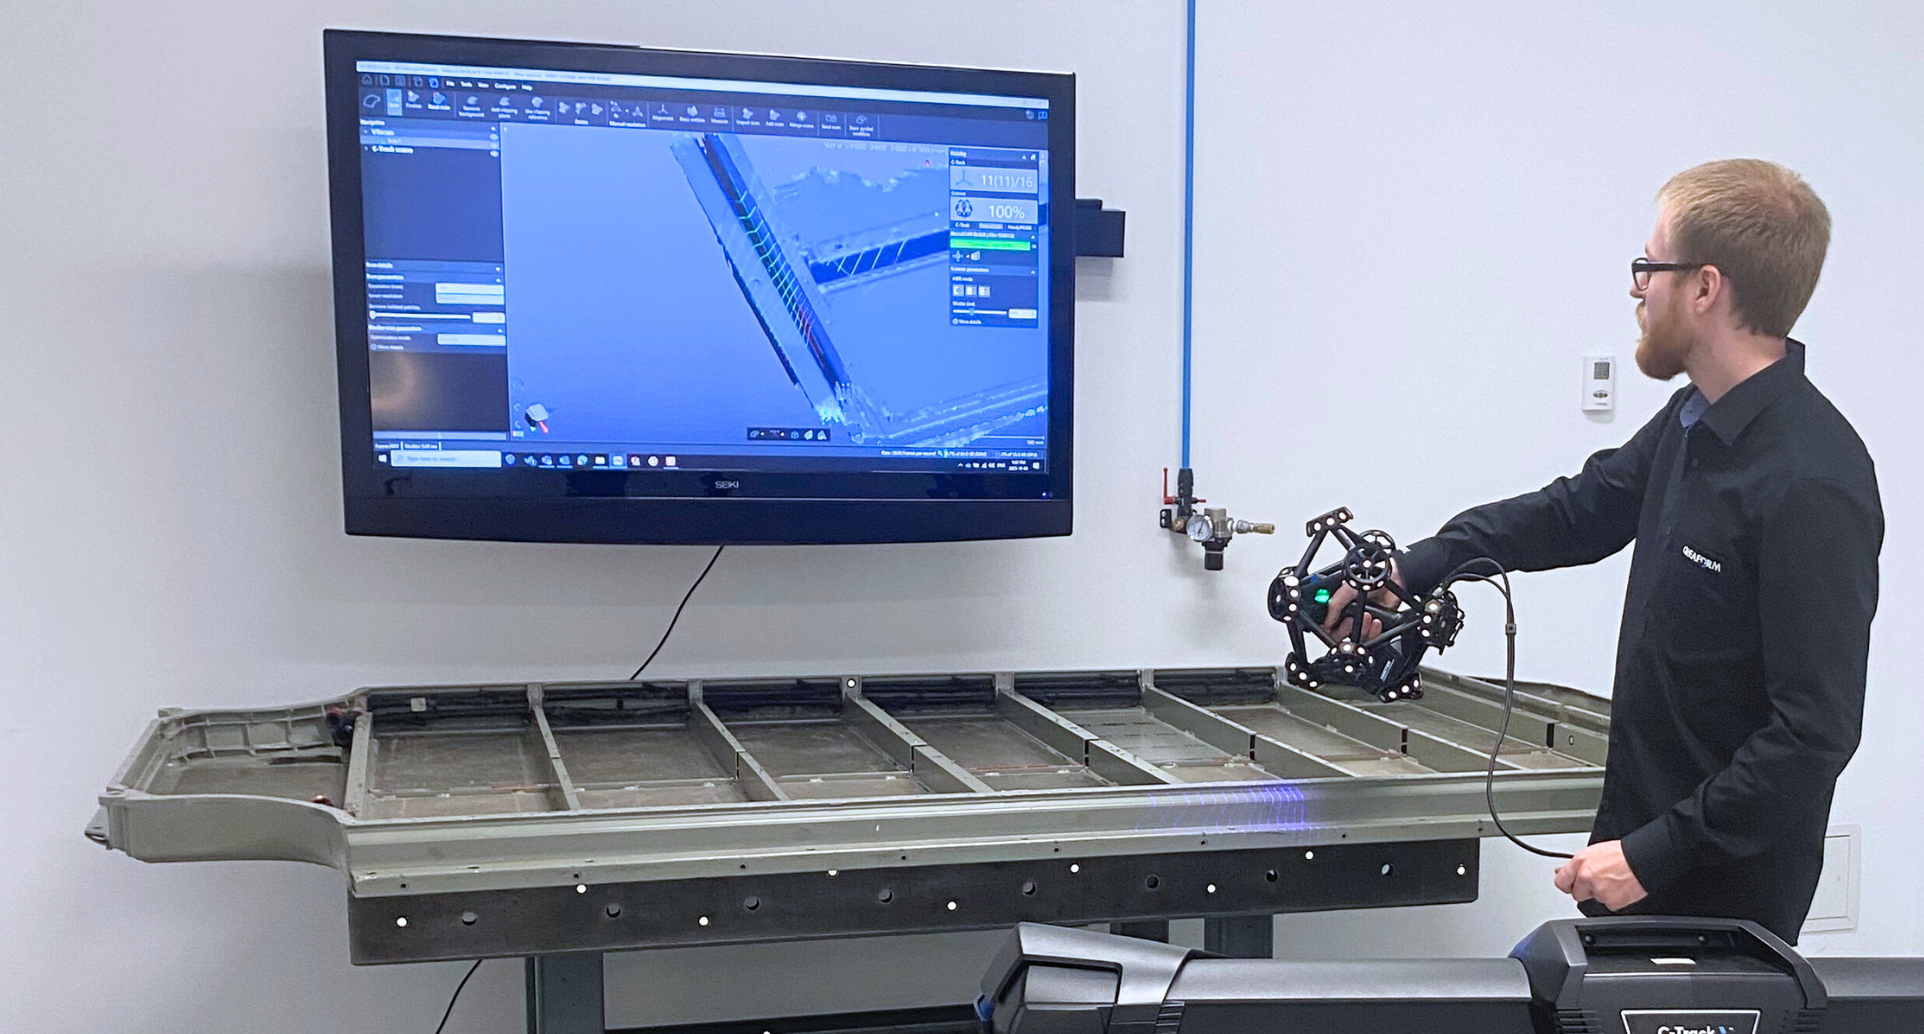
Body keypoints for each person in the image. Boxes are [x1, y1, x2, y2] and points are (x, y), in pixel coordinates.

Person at [1326, 159, 1881, 944]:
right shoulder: (1694, 421)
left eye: (1648, 265)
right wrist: (1410, 569)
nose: (1635, 288)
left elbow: (1812, 736)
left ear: (1704, 287)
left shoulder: (1810, 480)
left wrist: (1654, 855)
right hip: (1647, 869)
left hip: (1724, 905)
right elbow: (1574, 513)